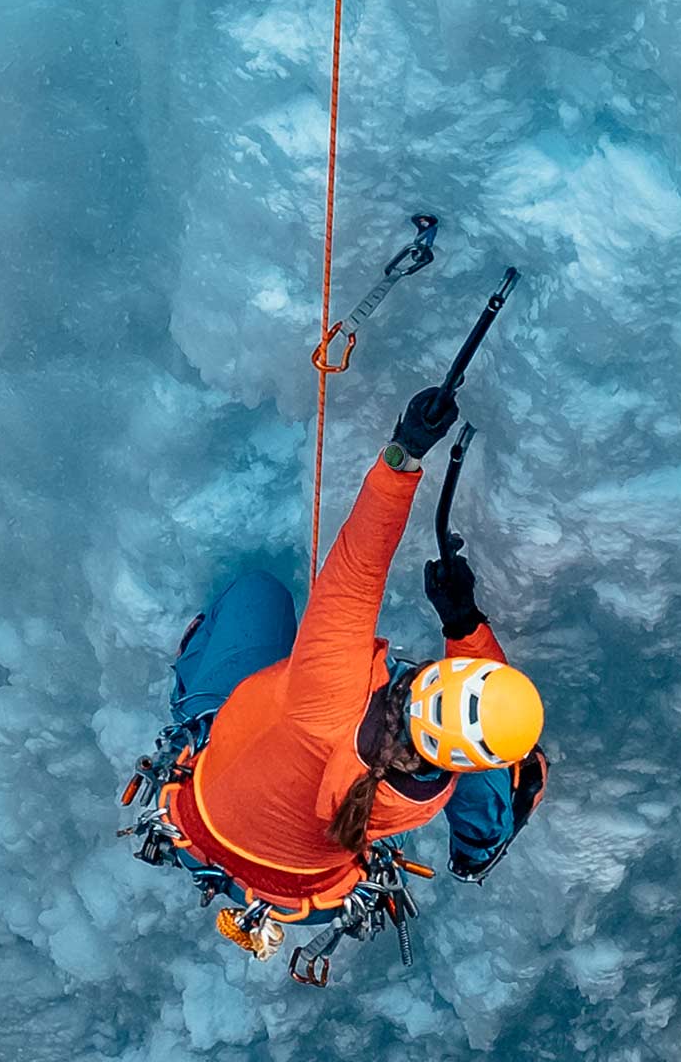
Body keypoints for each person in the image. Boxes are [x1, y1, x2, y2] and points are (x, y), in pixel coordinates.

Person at [150, 356, 549, 958]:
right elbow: (491, 715)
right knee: (503, 748)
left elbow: (359, 568)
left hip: (200, 811)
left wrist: (404, 453)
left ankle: (196, 704)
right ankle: (478, 847)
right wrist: (464, 623)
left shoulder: (329, 692)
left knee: (256, 594)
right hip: (308, 893)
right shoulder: (425, 795)